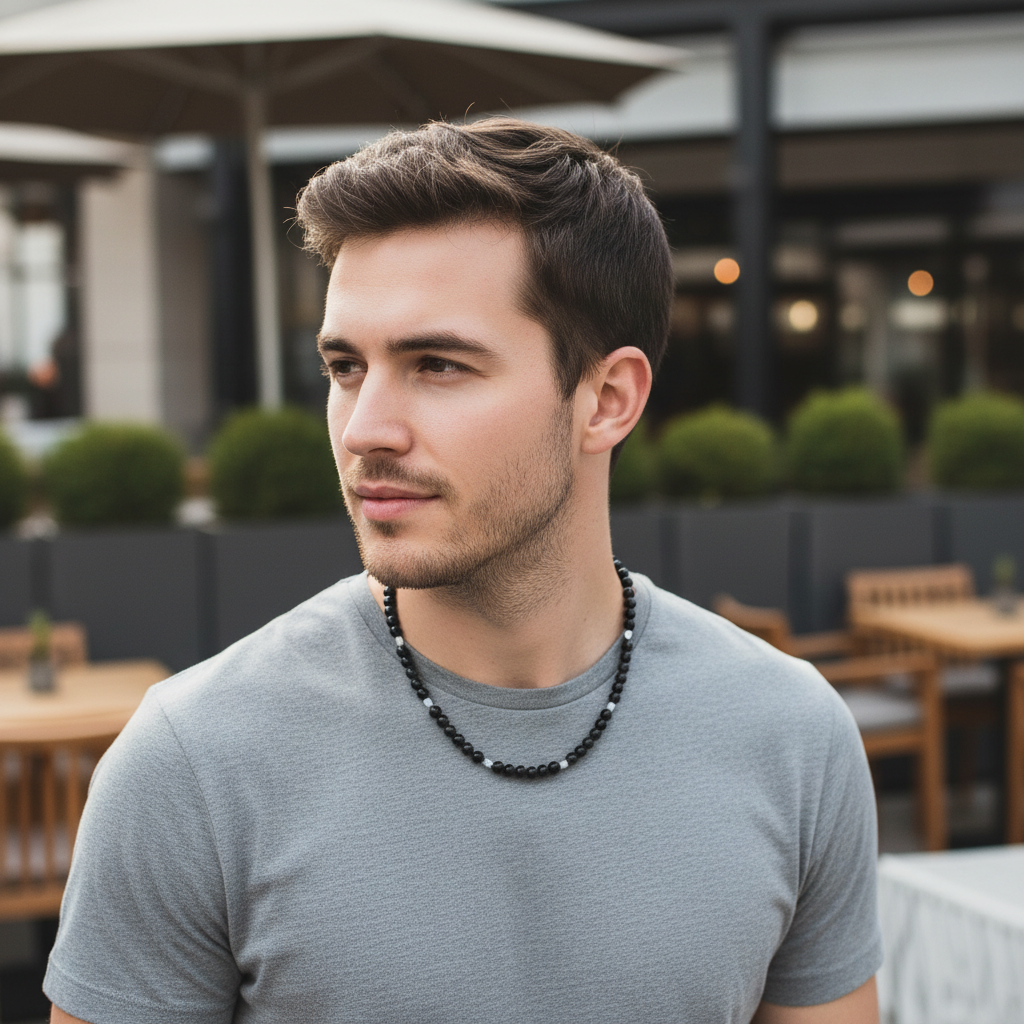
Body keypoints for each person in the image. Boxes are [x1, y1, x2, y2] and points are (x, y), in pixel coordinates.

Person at [47, 118, 881, 1024]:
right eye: (343, 366)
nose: (365, 427)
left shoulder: (791, 736)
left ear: (607, 400)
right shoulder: (194, 763)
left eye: (437, 364)